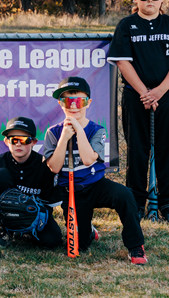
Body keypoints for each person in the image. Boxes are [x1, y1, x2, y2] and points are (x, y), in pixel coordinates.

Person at [107, 0, 169, 224]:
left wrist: (159, 91)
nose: (150, 1)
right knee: (137, 148)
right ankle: (136, 201)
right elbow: (122, 61)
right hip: (136, 96)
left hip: (166, 95)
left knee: (167, 148)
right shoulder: (126, 25)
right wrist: (145, 92)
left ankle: (167, 202)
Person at [41, 76, 148, 265]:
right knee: (80, 245)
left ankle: (135, 246)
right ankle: (88, 231)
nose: (74, 106)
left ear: (88, 103)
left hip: (96, 185)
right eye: (68, 101)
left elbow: (89, 159)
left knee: (125, 195)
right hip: (71, 192)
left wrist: (79, 131)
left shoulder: (97, 130)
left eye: (79, 101)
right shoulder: (53, 132)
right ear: (60, 103)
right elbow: (54, 167)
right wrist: (64, 138)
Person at [0, 117, 68, 250]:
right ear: (6, 141)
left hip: (35, 214)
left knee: (52, 241)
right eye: (13, 139)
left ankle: (28, 229)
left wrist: (30, 216)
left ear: (33, 142)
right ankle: (6, 229)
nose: (18, 144)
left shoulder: (45, 165)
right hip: (7, 213)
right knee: (0, 174)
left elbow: (49, 203)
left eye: (24, 140)